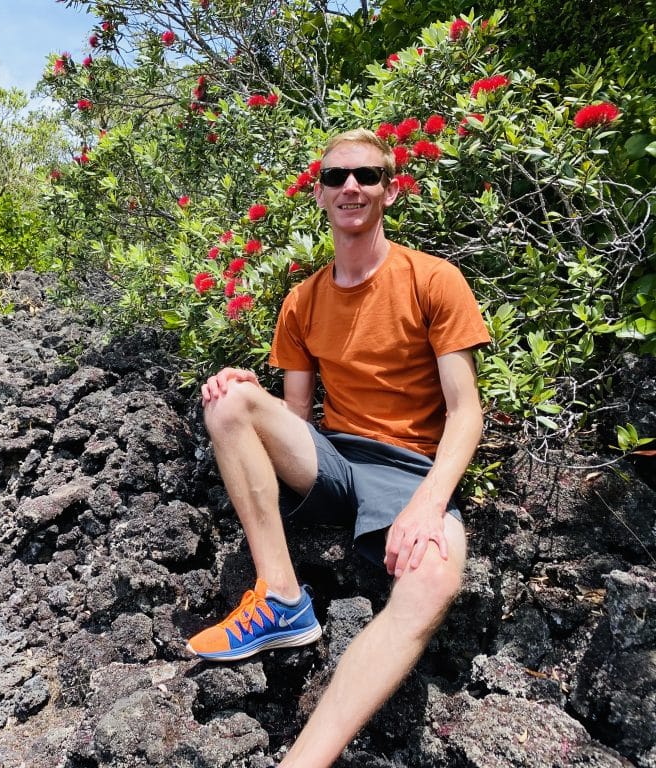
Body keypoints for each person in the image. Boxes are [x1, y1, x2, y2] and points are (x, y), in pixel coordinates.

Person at [185, 128, 491, 767]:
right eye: (336, 177)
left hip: (409, 472)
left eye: (367, 175)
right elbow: (296, 417)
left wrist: (429, 505)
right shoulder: (302, 301)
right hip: (336, 460)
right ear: (320, 195)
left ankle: (305, 760)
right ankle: (281, 597)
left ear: (389, 189)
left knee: (434, 578)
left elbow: (467, 414)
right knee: (229, 399)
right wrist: (248, 397)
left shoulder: (435, 280)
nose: (351, 186)